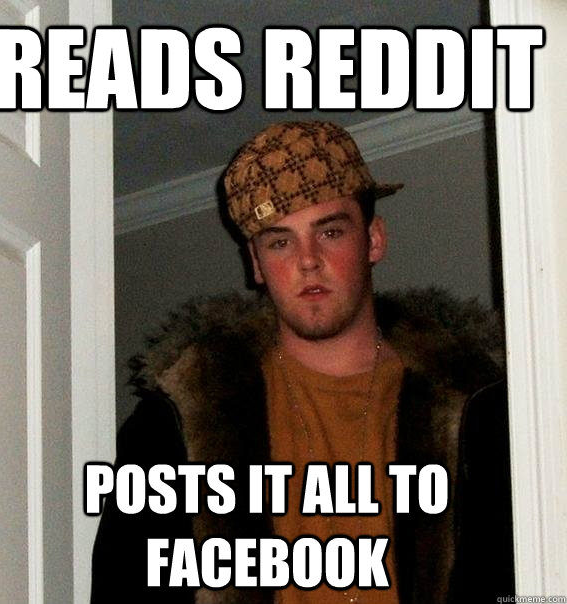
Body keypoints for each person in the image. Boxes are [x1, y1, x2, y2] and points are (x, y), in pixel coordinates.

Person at [90, 121, 513, 603]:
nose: (307, 260)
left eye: (329, 231)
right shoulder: (176, 423)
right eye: (280, 241)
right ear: (256, 263)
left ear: (373, 240)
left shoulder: (481, 409)